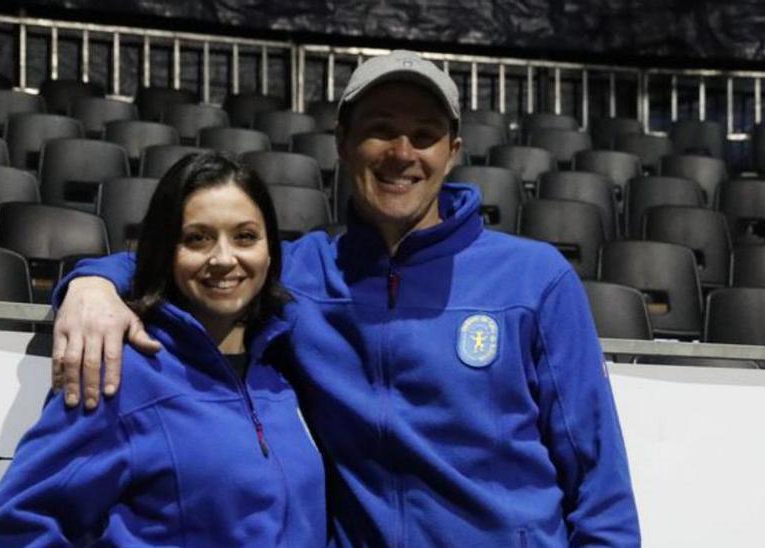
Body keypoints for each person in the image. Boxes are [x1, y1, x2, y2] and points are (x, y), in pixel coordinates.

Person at [53, 50, 640, 545]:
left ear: (453, 151)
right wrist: (90, 282)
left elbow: (598, 478)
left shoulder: (534, 279)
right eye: (381, 127)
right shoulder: (301, 274)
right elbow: (190, 264)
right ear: (343, 140)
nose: (401, 152)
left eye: (425, 135)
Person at [0, 152, 326, 546]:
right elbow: (17, 528)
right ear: (166, 250)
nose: (224, 259)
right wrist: (89, 282)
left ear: (269, 250)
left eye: (245, 236)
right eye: (197, 238)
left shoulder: (280, 373)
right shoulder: (120, 372)